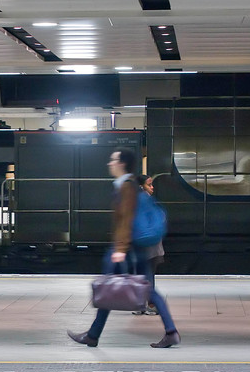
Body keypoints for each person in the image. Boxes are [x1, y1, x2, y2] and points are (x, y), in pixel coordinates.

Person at [67, 148, 180, 348]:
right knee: (125, 289)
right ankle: (170, 332)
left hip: (127, 249)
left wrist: (119, 249)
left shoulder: (127, 187)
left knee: (109, 287)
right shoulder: (129, 185)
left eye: (113, 160)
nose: (109, 164)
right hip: (134, 247)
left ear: (122, 164)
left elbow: (126, 220)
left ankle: (93, 335)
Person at [133, 175, 162, 316]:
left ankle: (140, 305)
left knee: (141, 274)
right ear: (141, 186)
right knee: (148, 274)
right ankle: (150, 304)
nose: (152, 187)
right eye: (149, 184)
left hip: (141, 243)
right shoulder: (146, 201)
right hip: (149, 243)